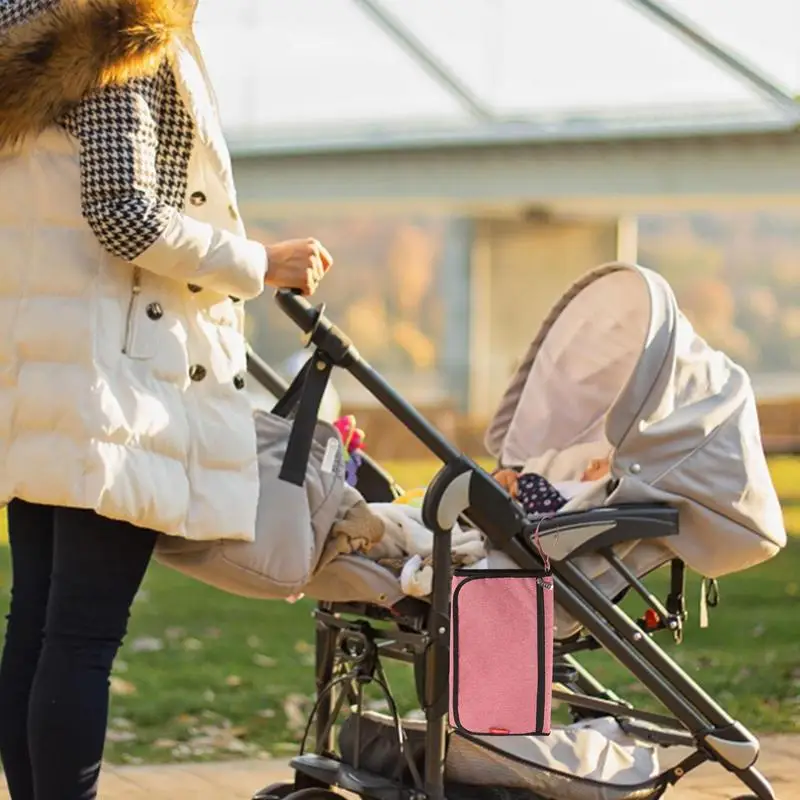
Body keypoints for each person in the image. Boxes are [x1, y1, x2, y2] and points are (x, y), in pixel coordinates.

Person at [0, 2, 332, 797]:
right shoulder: (118, 37)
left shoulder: (19, 38)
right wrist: (260, 262)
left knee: (37, 629)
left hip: (38, 372)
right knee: (80, 637)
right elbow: (123, 214)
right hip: (115, 380)